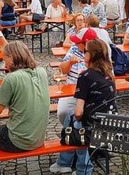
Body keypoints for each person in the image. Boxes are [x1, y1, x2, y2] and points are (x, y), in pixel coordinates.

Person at [0, 42, 49, 175]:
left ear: (12, 57)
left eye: (4, 58)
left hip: (19, 141)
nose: (3, 61)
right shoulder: (41, 72)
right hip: (39, 138)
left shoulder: (12, 78)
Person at [51, 28, 97, 174]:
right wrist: (70, 63)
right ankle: (72, 154)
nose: (76, 44)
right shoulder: (74, 50)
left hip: (89, 96)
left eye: (79, 42)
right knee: (66, 114)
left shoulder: (99, 56)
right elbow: (61, 69)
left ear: (87, 43)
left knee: (76, 121)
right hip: (72, 92)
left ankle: (77, 165)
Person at [72, 39, 117, 175]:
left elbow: (79, 112)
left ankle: (82, 169)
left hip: (94, 129)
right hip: (112, 125)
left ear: (90, 55)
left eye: (84, 51)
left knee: (72, 124)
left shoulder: (85, 76)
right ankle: (65, 163)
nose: (82, 53)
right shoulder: (109, 73)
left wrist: (75, 118)